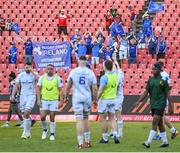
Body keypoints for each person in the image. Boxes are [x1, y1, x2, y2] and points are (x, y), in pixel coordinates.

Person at [136, 62, 173, 148]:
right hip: (153, 104)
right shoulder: (150, 80)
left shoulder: (163, 81)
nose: (152, 70)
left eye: (154, 69)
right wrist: (139, 101)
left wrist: (171, 105)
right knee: (160, 124)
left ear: (159, 70)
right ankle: (165, 142)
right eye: (152, 69)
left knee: (154, 122)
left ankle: (148, 142)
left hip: (161, 104)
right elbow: (146, 92)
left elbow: (168, 94)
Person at [64, 55, 97, 148]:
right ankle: (88, 142)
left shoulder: (74, 72)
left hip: (77, 97)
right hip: (87, 97)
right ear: (86, 61)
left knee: (79, 120)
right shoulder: (90, 72)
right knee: (86, 119)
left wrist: (65, 96)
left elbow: (68, 85)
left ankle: (80, 143)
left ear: (78, 61)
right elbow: (94, 88)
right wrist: (95, 100)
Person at [11, 62, 39, 139]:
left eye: (29, 67)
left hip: (31, 96)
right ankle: (28, 132)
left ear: (31, 67)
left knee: (26, 113)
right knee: (25, 114)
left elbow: (38, 79)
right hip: (22, 96)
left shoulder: (34, 74)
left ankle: (25, 133)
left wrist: (32, 71)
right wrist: (13, 95)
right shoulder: (21, 75)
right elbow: (16, 85)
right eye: (26, 67)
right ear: (24, 67)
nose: (27, 69)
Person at [37, 64, 63, 141]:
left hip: (54, 100)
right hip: (44, 100)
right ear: (46, 69)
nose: (49, 70)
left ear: (54, 70)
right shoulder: (42, 78)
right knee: (42, 117)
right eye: (48, 69)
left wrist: (61, 100)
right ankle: (45, 129)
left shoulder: (57, 78)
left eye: (51, 69)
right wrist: (38, 99)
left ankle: (52, 134)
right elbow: (38, 89)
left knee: (52, 117)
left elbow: (61, 90)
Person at [153, 61, 178, 140]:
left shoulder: (164, 75)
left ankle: (161, 135)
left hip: (162, 98)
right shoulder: (163, 74)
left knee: (159, 116)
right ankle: (173, 131)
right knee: (162, 116)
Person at [97, 60, 120, 144]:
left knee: (103, 119)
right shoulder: (115, 75)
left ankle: (105, 138)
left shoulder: (104, 77)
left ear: (105, 67)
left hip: (105, 99)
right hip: (113, 98)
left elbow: (101, 90)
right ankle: (115, 135)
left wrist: (96, 99)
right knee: (113, 118)